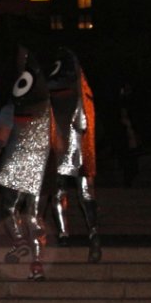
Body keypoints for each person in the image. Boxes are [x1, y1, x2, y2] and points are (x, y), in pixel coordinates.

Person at [0, 46, 54, 281]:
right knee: (35, 216)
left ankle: (18, 241)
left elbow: (2, 138)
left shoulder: (11, 108)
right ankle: (36, 264)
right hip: (42, 167)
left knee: (10, 207)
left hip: (16, 165)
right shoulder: (48, 110)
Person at [48, 47, 101, 263]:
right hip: (66, 146)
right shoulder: (76, 85)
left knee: (75, 191)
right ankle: (70, 232)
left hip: (71, 146)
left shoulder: (73, 86)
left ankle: (73, 232)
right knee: (68, 190)